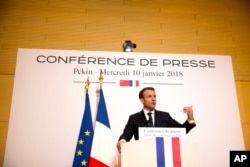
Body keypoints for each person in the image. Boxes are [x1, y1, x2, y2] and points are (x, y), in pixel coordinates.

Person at [116, 87, 196, 153]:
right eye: (149, 96)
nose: (153, 99)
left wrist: (190, 118)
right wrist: (122, 141)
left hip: (162, 157)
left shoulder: (165, 116)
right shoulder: (134, 118)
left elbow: (181, 131)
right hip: (142, 156)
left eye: (154, 96)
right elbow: (126, 134)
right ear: (142, 100)